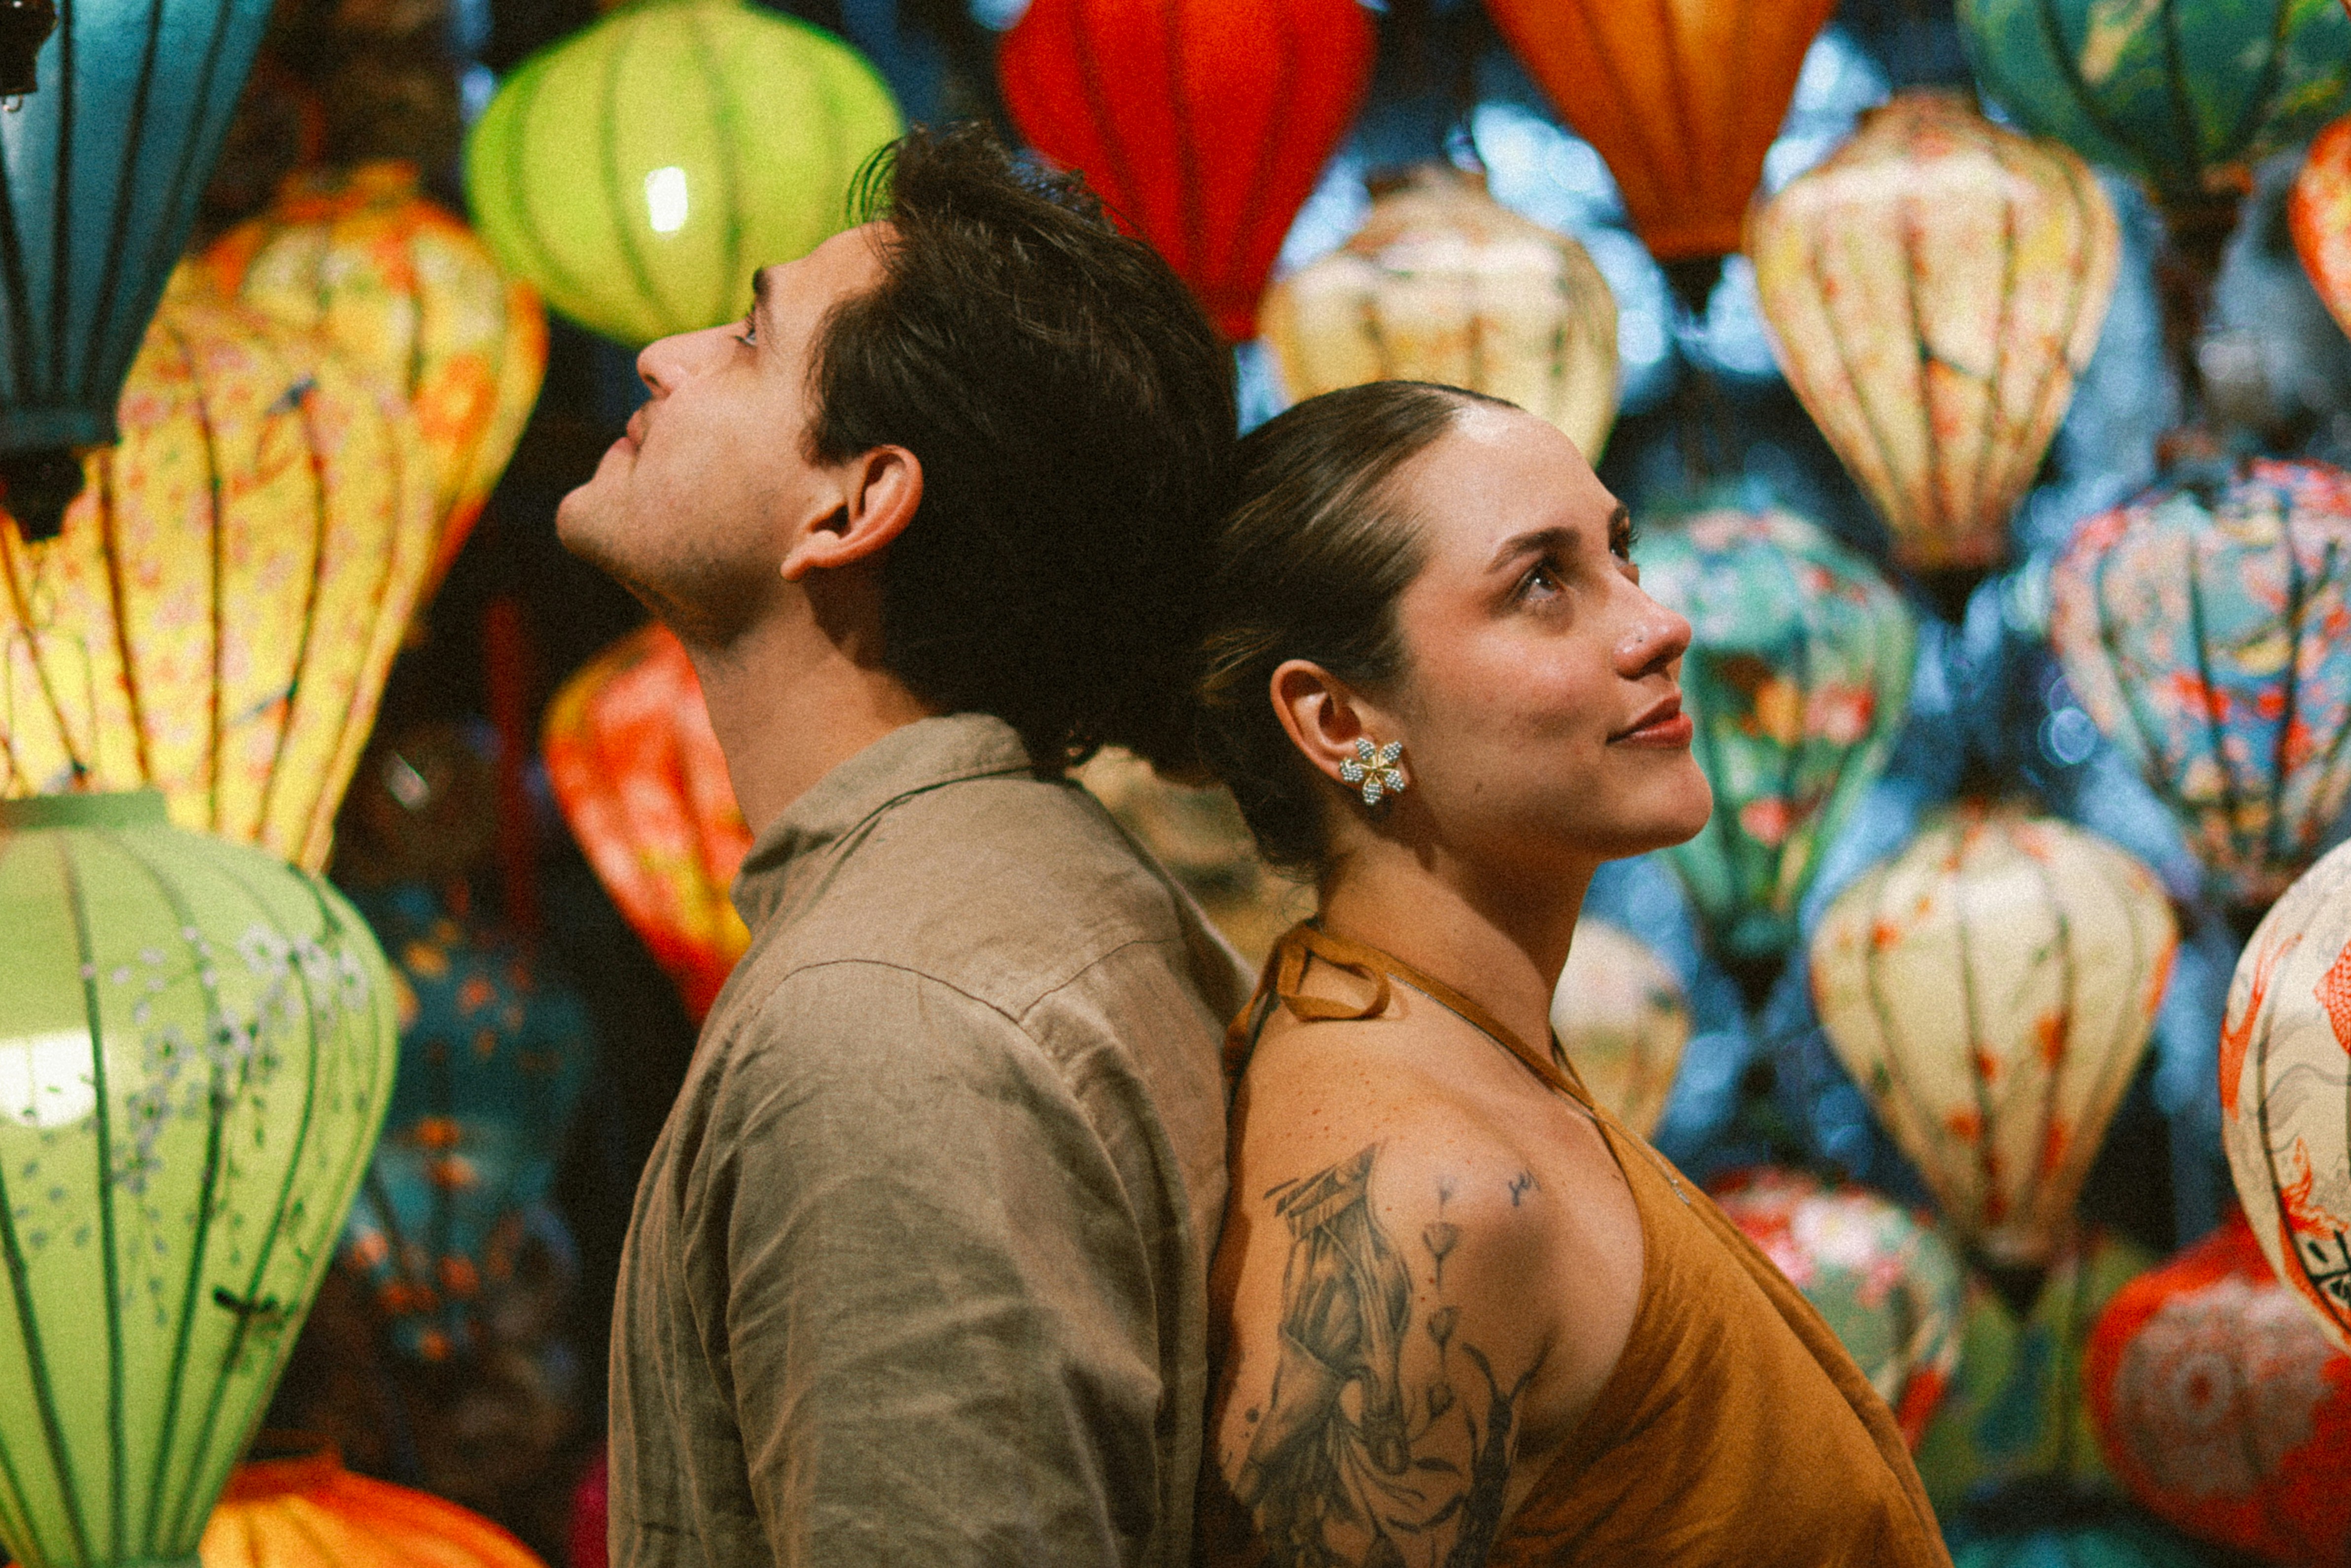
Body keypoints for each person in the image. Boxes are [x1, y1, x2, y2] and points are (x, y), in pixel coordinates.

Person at [558, 124, 1250, 1568]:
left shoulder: (890, 1020)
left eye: (747, 340)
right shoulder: (1028, 895)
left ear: (857, 503)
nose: (662, 355)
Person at [1191, 382, 1951, 1567]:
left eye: (1618, 554)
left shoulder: (1453, 1055)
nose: (1657, 626)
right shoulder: (1419, 1189)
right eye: (1540, 583)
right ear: (1338, 721)